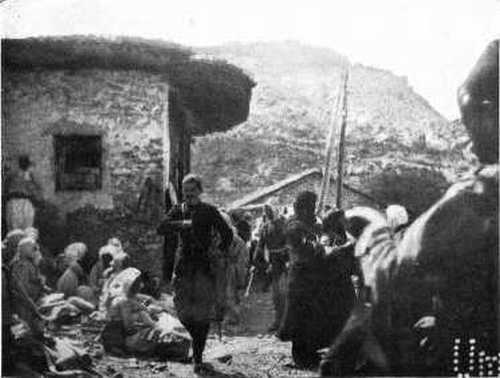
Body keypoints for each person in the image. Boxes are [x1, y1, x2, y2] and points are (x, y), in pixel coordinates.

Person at [157, 174, 233, 374]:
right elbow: (161, 228)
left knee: (202, 314)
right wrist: (181, 224)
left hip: (203, 269)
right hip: (182, 269)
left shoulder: (208, 211)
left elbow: (227, 233)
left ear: (200, 190)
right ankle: (193, 345)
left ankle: (198, 357)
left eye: (192, 190)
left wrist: (219, 251)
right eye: (185, 190)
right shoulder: (178, 210)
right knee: (182, 311)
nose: (188, 194)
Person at [102, 267, 190, 360]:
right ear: (132, 285)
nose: (141, 285)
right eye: (137, 283)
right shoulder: (124, 301)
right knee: (165, 337)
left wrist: (147, 313)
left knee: (175, 338)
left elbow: (145, 304)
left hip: (128, 335)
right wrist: (145, 322)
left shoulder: (130, 298)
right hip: (121, 339)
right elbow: (128, 327)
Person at [278, 191, 324, 368]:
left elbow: (321, 240)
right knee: (298, 316)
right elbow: (300, 250)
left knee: (314, 316)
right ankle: (300, 356)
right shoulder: (294, 225)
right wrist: (317, 246)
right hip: (300, 276)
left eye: (314, 206)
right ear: (302, 207)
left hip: (315, 277)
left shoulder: (315, 223)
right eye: (310, 206)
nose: (313, 210)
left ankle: (311, 353)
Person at [256, 204, 289, 332]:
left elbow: (291, 243)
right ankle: (278, 321)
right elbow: (261, 245)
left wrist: (288, 258)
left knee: (285, 293)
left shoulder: (285, 224)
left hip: (286, 262)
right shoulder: (265, 227)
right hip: (274, 263)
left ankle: (287, 322)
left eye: (270, 210)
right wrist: (259, 262)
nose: (268, 213)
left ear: (277, 210)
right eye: (266, 211)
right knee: (276, 295)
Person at [5, 155, 42, 231]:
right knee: (17, 229)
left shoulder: (27, 175)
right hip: (16, 202)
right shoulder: (15, 175)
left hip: (21, 202)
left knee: (23, 229)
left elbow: (37, 189)